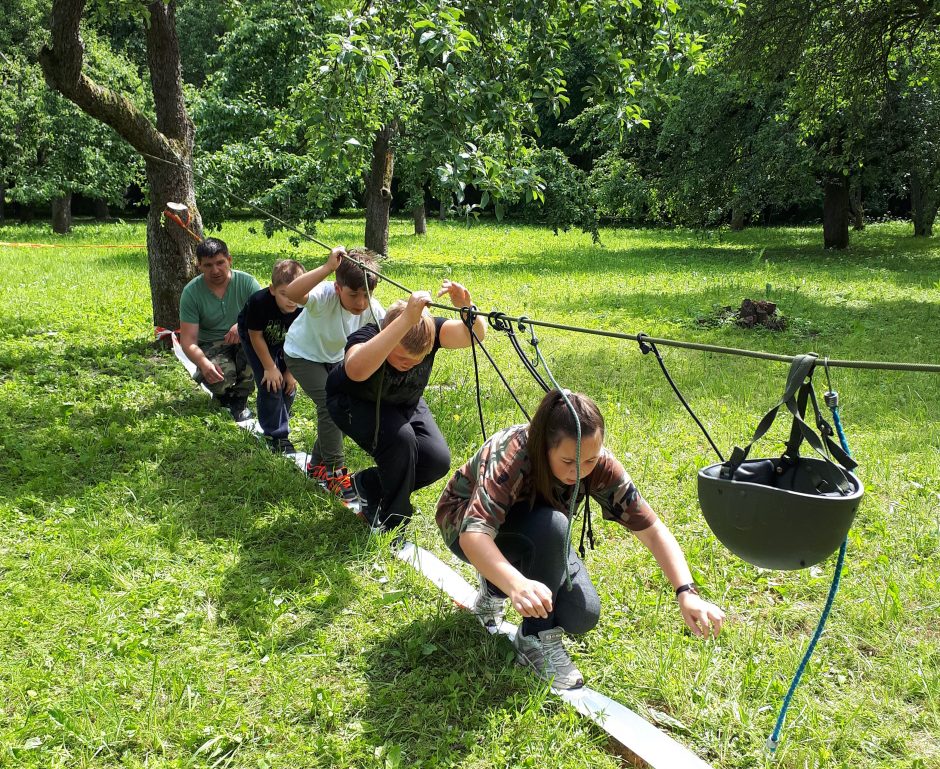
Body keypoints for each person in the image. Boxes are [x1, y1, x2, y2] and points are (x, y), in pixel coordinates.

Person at [435, 389, 726, 690]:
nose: (579, 471)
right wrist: (515, 583)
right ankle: (533, 638)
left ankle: (500, 581)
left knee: (581, 615)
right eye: (567, 461)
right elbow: (474, 534)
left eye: (589, 460)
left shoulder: (597, 464)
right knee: (553, 525)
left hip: (538, 530)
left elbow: (652, 530)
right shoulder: (512, 454)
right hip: (462, 526)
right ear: (542, 446)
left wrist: (686, 591)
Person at [326, 283, 487, 533]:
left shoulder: (429, 332)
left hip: (403, 400)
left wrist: (466, 308)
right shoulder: (370, 335)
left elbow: (474, 335)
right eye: (401, 358)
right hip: (353, 401)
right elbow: (355, 371)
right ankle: (392, 520)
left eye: (417, 360)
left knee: (437, 459)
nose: (408, 365)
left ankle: (368, 483)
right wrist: (404, 322)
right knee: (402, 442)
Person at [283, 247, 385, 503]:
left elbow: (393, 328)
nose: (361, 303)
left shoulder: (371, 309)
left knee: (339, 409)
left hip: (334, 359)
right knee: (329, 408)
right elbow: (292, 293)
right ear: (338, 287)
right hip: (302, 355)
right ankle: (335, 472)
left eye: (366, 294)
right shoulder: (324, 295)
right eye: (353, 295)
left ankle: (317, 464)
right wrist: (328, 267)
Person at [179, 238, 261, 421]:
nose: (215, 270)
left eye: (220, 263)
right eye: (208, 265)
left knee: (255, 353)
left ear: (229, 260)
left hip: (245, 339)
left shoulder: (247, 283)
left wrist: (242, 325)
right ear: (199, 265)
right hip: (211, 344)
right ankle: (223, 396)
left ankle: (240, 399)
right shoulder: (191, 292)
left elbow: (265, 318)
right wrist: (203, 363)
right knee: (219, 377)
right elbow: (188, 340)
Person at [237, 259, 306, 454]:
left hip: (288, 342)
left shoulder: (306, 308)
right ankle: (276, 435)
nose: (291, 300)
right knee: (271, 383)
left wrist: (290, 372)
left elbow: (302, 341)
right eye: (285, 294)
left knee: (287, 383)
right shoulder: (260, 302)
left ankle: (281, 412)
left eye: (297, 294)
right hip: (255, 338)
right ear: (273, 289)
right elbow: (255, 335)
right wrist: (269, 367)